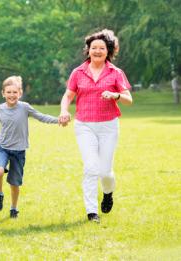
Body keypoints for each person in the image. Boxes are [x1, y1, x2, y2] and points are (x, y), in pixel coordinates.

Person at [58, 29, 133, 223]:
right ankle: (92, 212)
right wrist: (64, 111)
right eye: (94, 48)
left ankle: (108, 193)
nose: (97, 51)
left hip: (108, 126)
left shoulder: (116, 73)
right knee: (91, 168)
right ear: (88, 50)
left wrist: (115, 95)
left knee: (105, 172)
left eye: (101, 48)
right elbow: (68, 96)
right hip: (84, 125)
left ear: (108, 51)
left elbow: (128, 100)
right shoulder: (78, 72)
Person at [0, 76, 59, 218]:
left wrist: (58, 120)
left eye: (15, 92)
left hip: (19, 151)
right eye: (8, 92)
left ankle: (14, 208)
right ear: (3, 93)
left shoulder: (25, 107)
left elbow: (40, 116)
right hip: (2, 147)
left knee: (14, 183)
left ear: (20, 93)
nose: (12, 95)